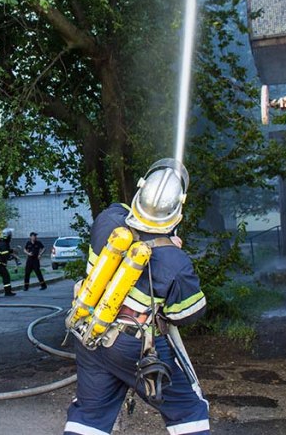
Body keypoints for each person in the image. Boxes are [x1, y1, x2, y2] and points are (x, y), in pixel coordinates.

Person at [64, 158, 210, 435]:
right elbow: (187, 314)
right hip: (134, 347)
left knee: (90, 415)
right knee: (188, 409)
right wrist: (171, 246)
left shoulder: (106, 222)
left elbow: (122, 211)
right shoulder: (175, 262)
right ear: (177, 212)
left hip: (90, 332)